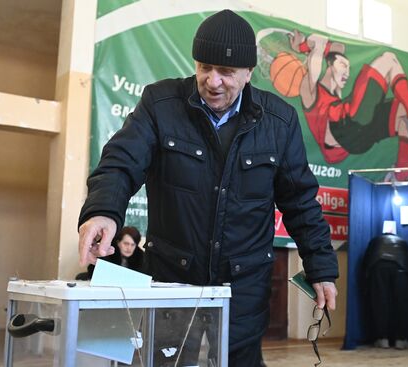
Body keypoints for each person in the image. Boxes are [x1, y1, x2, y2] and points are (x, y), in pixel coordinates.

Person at [77, 9, 339, 367]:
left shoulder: (279, 122)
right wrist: (103, 211)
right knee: (162, 360)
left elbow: (300, 201)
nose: (212, 81)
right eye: (204, 67)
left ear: (249, 74)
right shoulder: (161, 104)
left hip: (242, 286)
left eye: (226, 72)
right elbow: (120, 162)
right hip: (171, 278)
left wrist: (321, 267)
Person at [288, 30, 408, 181]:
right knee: (389, 59)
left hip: (358, 140)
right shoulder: (309, 91)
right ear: (329, 65)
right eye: (343, 65)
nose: (347, 73)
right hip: (341, 130)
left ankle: (401, 174)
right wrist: (303, 47)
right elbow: (319, 45)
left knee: (402, 113)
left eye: (349, 68)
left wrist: (312, 46)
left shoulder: (335, 91)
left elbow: (338, 48)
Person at [362, 233, 408, 349]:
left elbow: (366, 261)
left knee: (380, 304)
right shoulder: (403, 241)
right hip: (401, 269)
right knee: (402, 304)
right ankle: (401, 340)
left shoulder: (376, 241)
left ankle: (382, 339)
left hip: (378, 267)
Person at [75, 226, 143, 280]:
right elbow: (94, 271)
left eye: (133, 245)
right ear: (118, 242)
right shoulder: (107, 251)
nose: (129, 248)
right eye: (126, 243)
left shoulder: (141, 257)